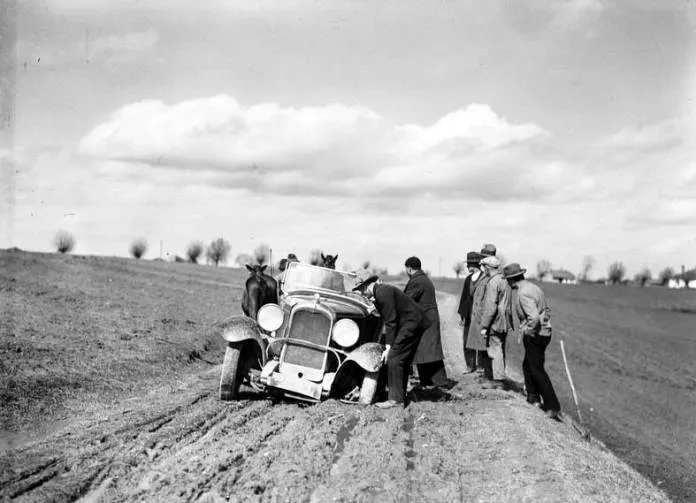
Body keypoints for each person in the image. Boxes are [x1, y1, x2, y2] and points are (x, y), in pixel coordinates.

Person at [352, 269, 427, 409]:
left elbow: (391, 322)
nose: (362, 293)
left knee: (394, 358)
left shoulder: (382, 293)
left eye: (362, 290)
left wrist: (388, 347)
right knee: (401, 359)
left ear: (368, 285)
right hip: (412, 321)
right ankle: (400, 394)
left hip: (411, 323)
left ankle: (396, 400)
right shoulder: (380, 292)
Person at [504, 263, 561, 420]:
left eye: (508, 280)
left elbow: (534, 317)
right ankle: (533, 397)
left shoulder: (523, 293)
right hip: (545, 332)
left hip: (536, 334)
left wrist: (529, 330)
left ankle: (552, 406)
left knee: (536, 369)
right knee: (528, 365)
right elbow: (546, 310)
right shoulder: (534, 288)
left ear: (511, 280)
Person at [403, 256, 448, 388]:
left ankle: (439, 382)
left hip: (426, 321)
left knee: (429, 352)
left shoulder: (417, 281)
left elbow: (406, 300)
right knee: (427, 352)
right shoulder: (423, 279)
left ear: (409, 269)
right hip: (428, 319)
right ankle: (428, 382)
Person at [477, 255, 513, 389]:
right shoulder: (504, 280)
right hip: (504, 321)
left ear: (487, 268)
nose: (483, 270)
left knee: (495, 348)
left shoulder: (493, 282)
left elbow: (491, 306)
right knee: (500, 348)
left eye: (483, 267)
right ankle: (497, 376)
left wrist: (485, 325)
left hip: (496, 321)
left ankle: (498, 380)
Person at [457, 251, 485, 374]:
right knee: (466, 341)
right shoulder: (468, 279)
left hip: (479, 316)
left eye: (469, 264)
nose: (467, 267)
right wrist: (462, 315)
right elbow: (464, 298)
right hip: (468, 315)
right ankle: (470, 365)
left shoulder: (484, 278)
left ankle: (481, 367)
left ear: (475, 265)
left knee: (480, 341)